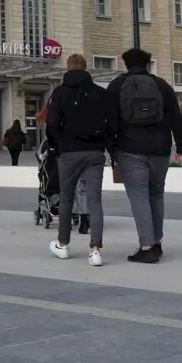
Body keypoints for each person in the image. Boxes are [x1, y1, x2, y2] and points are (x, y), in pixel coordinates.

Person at [104, 47, 182, 264]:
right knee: (156, 193)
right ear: (148, 63)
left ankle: (147, 247)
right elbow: (176, 117)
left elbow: (109, 120)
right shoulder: (162, 85)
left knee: (139, 196)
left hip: (130, 149)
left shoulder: (117, 85)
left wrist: (111, 149)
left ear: (126, 64)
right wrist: (181, 146)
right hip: (160, 149)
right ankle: (156, 242)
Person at [45, 54, 109, 267]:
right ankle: (95, 250)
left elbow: (51, 123)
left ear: (68, 68)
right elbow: (110, 122)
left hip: (69, 152)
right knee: (94, 200)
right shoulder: (100, 93)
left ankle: (63, 245)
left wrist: (58, 144)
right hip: (94, 152)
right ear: (85, 68)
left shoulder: (59, 93)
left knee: (66, 197)